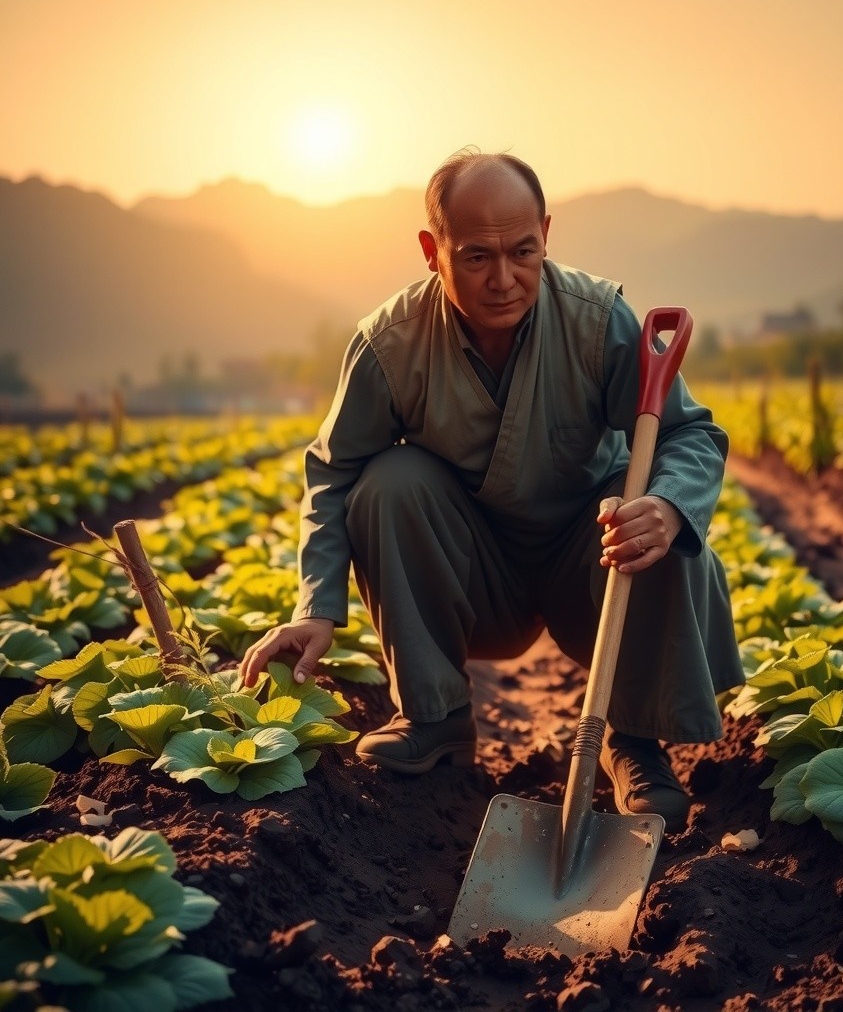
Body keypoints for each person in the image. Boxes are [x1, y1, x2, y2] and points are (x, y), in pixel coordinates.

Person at [240, 149, 744, 828]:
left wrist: (667, 506)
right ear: (432, 251)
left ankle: (632, 740)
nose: (504, 279)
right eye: (476, 257)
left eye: (522, 252)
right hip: (476, 578)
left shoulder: (598, 320)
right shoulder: (390, 343)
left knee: (648, 514)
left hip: (591, 570)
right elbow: (334, 475)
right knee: (389, 482)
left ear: (546, 235)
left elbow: (690, 434)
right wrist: (316, 606)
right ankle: (436, 716)